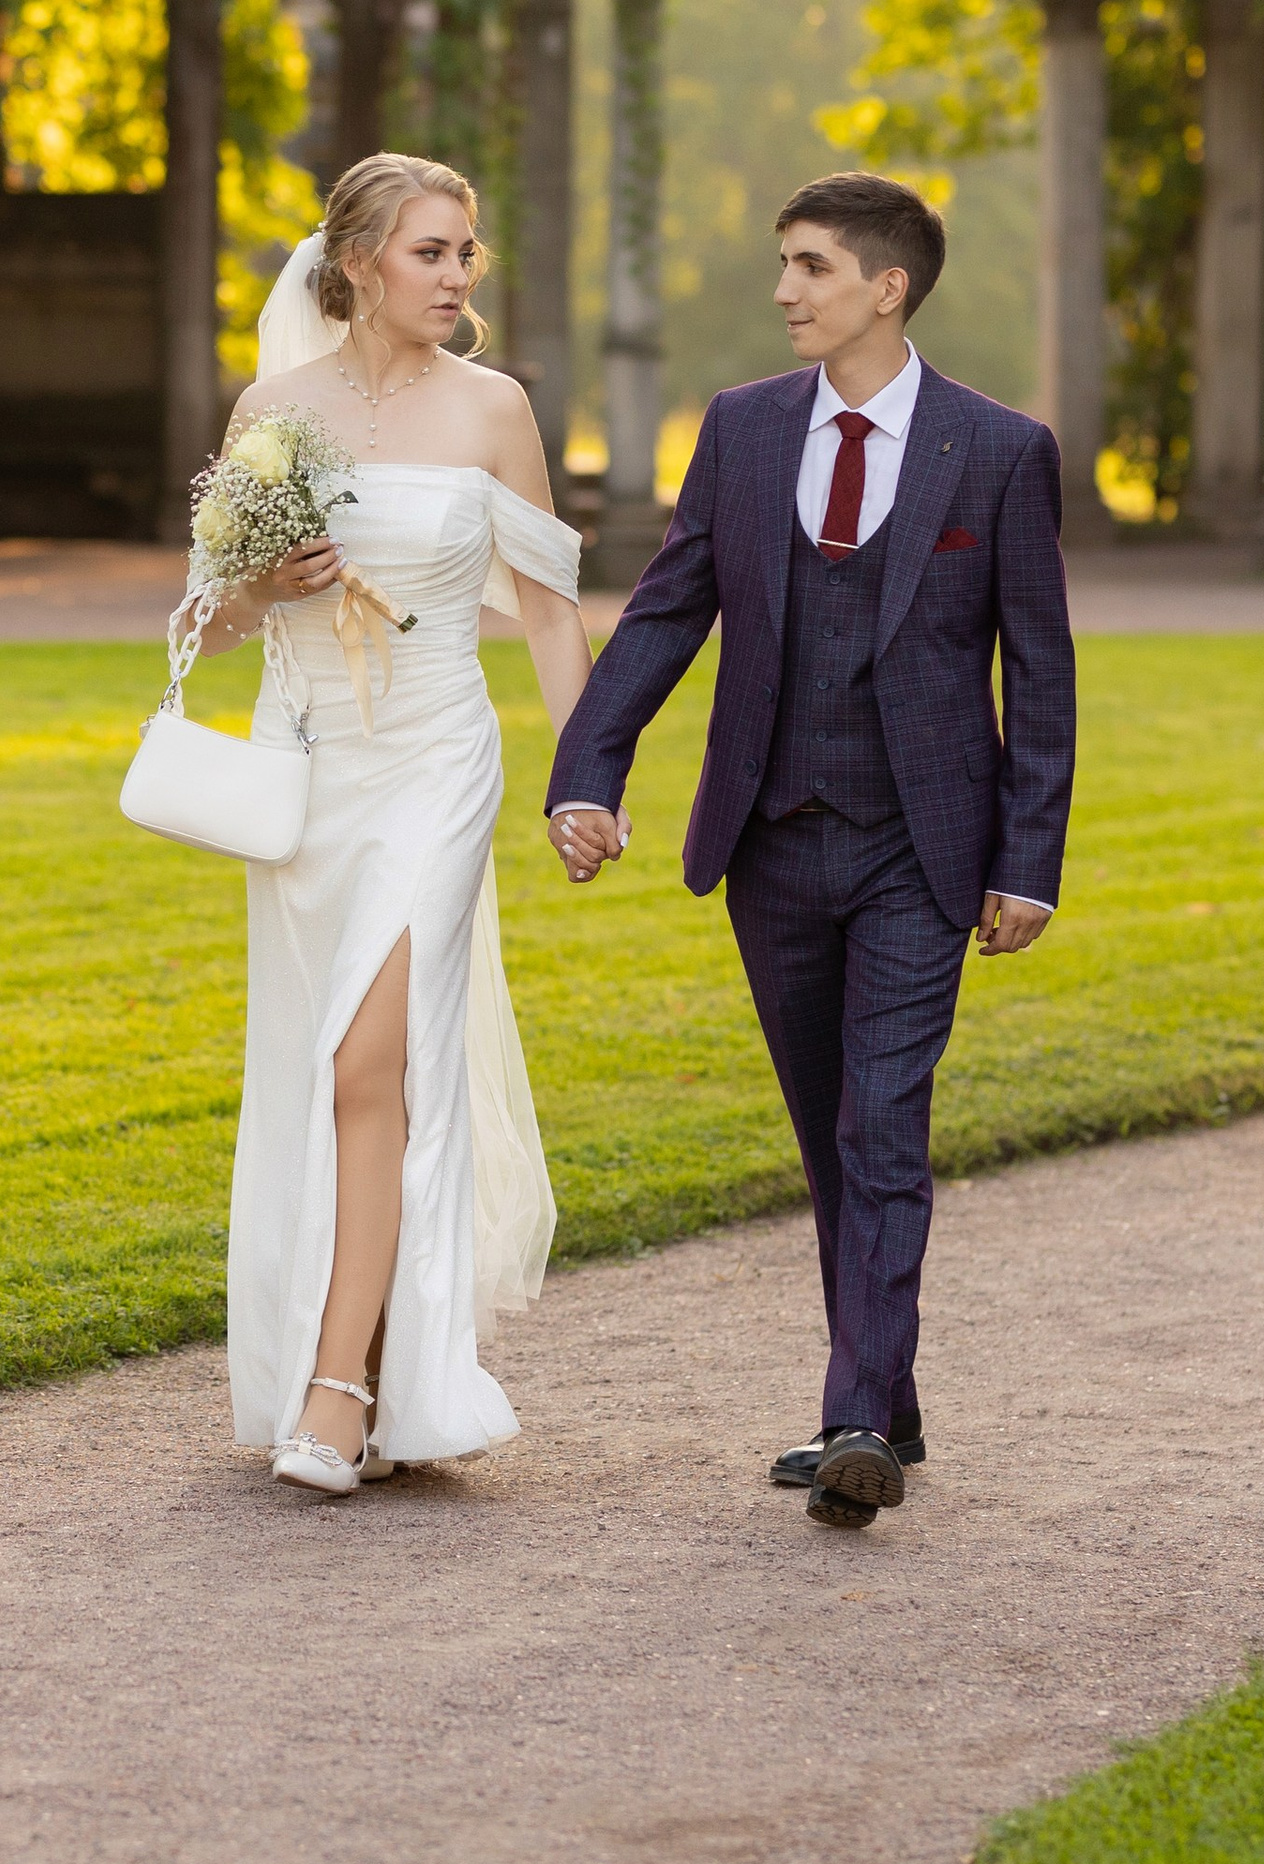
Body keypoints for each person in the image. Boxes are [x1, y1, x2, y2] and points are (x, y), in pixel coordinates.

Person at [546, 172, 1075, 1530]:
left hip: (922, 847)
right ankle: (882, 1398)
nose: (785, 290)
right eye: (786, 265)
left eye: (811, 266)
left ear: (885, 288)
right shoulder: (738, 431)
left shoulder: (999, 451)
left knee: (882, 1123)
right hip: (772, 840)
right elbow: (668, 615)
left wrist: (1028, 860)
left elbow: (1042, 673)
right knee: (828, 1134)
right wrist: (587, 773)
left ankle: (853, 1420)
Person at [190, 153, 592, 1495]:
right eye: (433, 252)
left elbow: (543, 605)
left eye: (467, 250)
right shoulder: (277, 407)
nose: (459, 274)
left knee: (377, 1061)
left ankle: (342, 1384)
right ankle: (356, 1368)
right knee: (322, 1065)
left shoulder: (495, 408)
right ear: (358, 261)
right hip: (308, 763)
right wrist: (267, 576)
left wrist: (580, 775)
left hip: (435, 757)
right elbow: (210, 619)